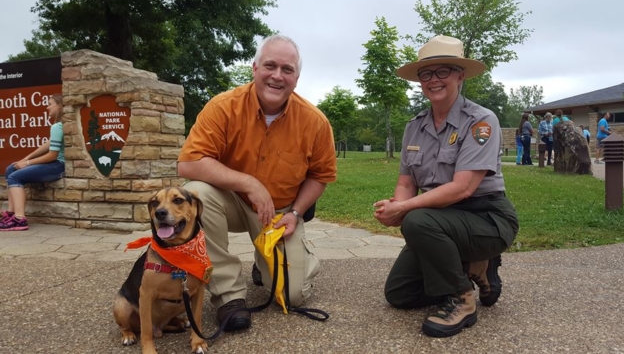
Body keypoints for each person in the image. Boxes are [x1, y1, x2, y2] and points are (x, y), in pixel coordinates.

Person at [177, 34, 337, 332]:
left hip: (280, 212)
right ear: (254, 68)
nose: (277, 75)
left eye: (287, 69)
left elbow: (321, 175)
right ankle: (229, 297)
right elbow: (189, 162)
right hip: (232, 202)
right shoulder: (223, 107)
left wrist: (297, 213)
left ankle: (280, 259)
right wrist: (249, 183)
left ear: (297, 78)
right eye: (270, 66)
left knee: (295, 296)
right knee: (195, 193)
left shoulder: (315, 122)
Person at [373, 35, 519, 338]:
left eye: (443, 71)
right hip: (440, 220)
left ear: (460, 75)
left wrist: (405, 209)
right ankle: (473, 267)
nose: (434, 80)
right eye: (426, 73)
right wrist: (396, 207)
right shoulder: (414, 126)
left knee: (417, 219)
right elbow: (406, 181)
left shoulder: (481, 121)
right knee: (400, 293)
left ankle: (462, 299)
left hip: (487, 218)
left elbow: (463, 188)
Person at [0, 94, 66, 231]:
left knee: (14, 176)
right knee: (11, 169)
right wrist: (25, 159)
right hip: (56, 164)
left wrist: (28, 163)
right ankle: (11, 214)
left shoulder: (57, 127)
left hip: (57, 166)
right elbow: (48, 145)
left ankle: (19, 219)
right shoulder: (60, 125)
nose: (47, 107)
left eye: (50, 103)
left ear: (59, 106)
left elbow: (52, 155)